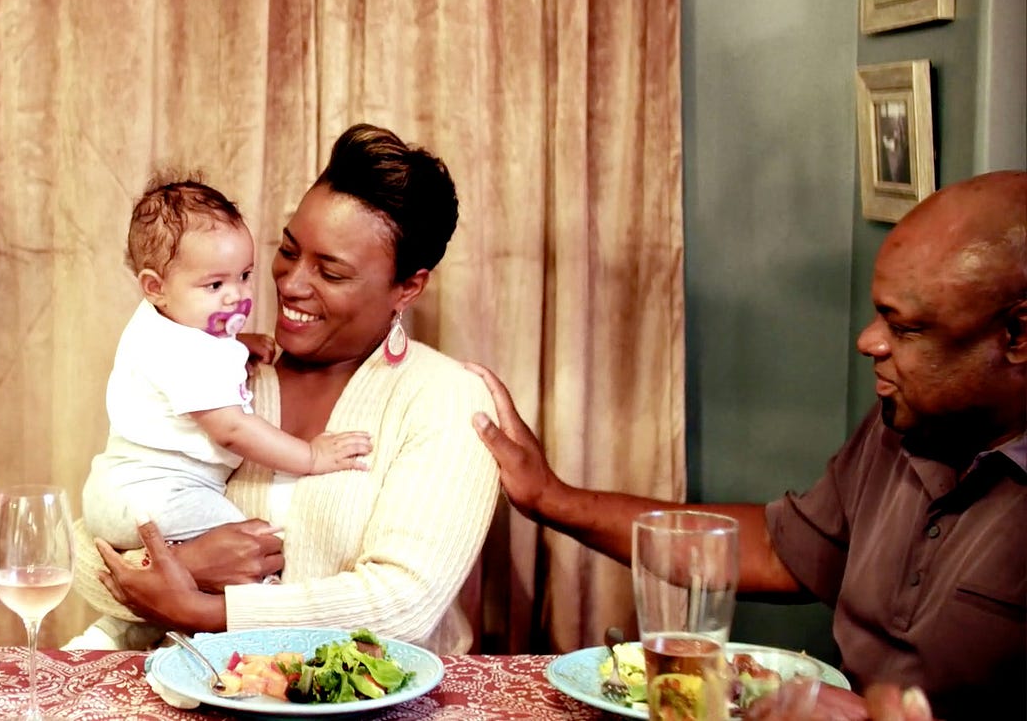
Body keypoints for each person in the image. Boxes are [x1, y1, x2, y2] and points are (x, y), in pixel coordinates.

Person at [466, 170, 1026, 719]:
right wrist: (552, 498)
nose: (868, 341)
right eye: (880, 315)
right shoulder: (905, 422)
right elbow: (781, 552)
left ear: (1018, 336)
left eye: (904, 329)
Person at [75, 123, 500, 655]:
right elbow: (87, 554)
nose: (291, 284)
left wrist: (204, 610)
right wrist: (184, 565)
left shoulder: (445, 397)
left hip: (370, 699)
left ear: (407, 287)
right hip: (208, 689)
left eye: (332, 272)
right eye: (289, 250)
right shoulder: (221, 368)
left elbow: (403, 605)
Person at [82, 176, 372, 552]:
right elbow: (232, 430)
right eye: (215, 285)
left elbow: (189, 355)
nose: (236, 295)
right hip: (159, 496)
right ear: (155, 287)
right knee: (257, 546)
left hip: (117, 489)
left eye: (245, 275)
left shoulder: (161, 323)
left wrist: (236, 344)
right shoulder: (187, 354)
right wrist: (311, 456)